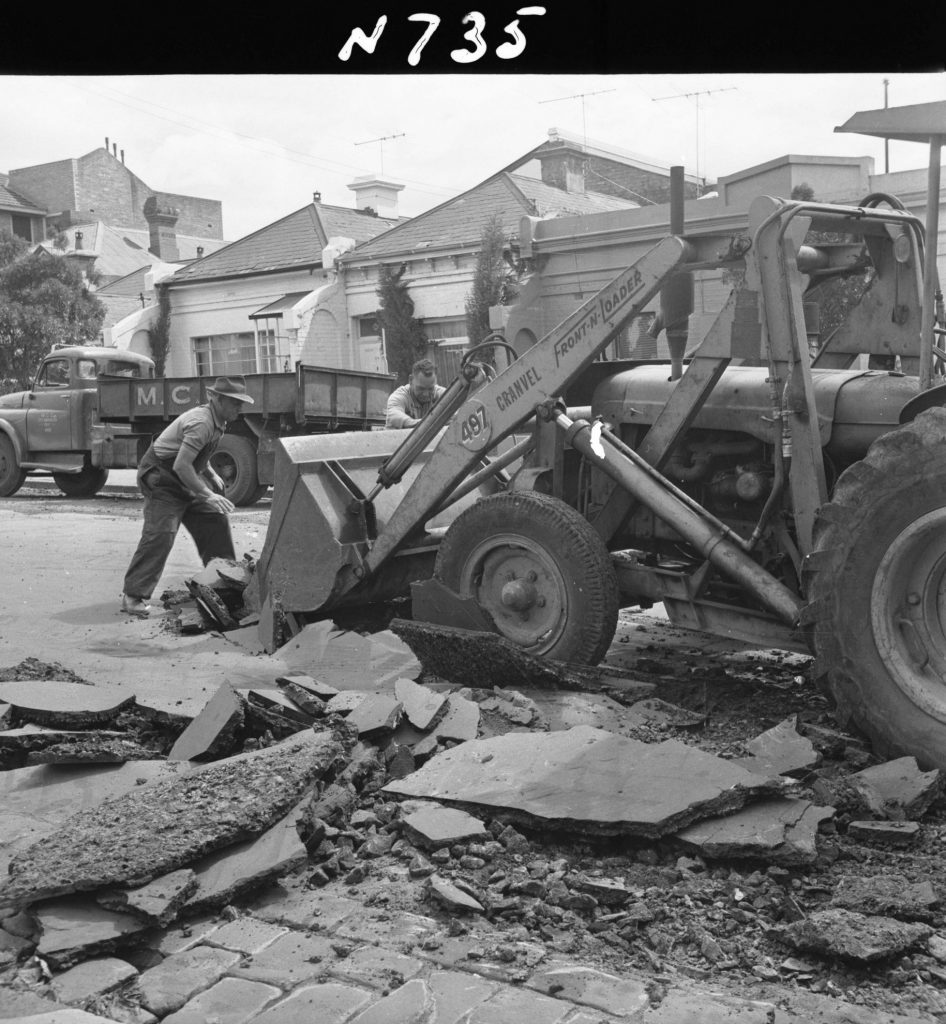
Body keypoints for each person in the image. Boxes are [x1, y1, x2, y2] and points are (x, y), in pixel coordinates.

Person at [120, 376, 254, 618]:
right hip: (162, 478)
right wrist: (207, 494)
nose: (240, 408)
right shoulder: (202, 422)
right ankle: (133, 596)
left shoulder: (219, 419)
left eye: (241, 403)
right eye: (235, 403)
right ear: (219, 399)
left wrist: (211, 474)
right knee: (161, 533)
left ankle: (226, 587)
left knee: (215, 521)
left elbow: (196, 456)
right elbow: (182, 465)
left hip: (183, 476)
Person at [385, 358, 446, 429]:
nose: (426, 394)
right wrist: (427, 424)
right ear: (410, 380)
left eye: (430, 389)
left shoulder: (442, 394)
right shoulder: (399, 396)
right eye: (421, 388)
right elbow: (394, 416)